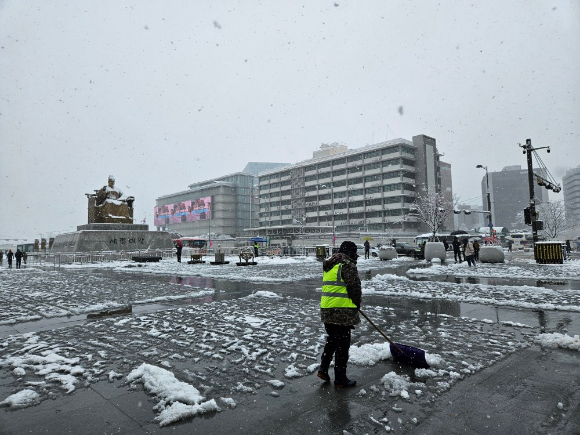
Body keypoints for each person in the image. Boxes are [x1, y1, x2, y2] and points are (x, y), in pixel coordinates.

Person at [317, 241, 361, 388]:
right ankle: (340, 378)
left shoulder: (331, 264)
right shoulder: (347, 264)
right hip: (341, 312)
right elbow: (354, 287)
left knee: (333, 341)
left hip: (327, 310)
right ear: (351, 252)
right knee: (342, 345)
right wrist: (356, 304)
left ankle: (323, 369)